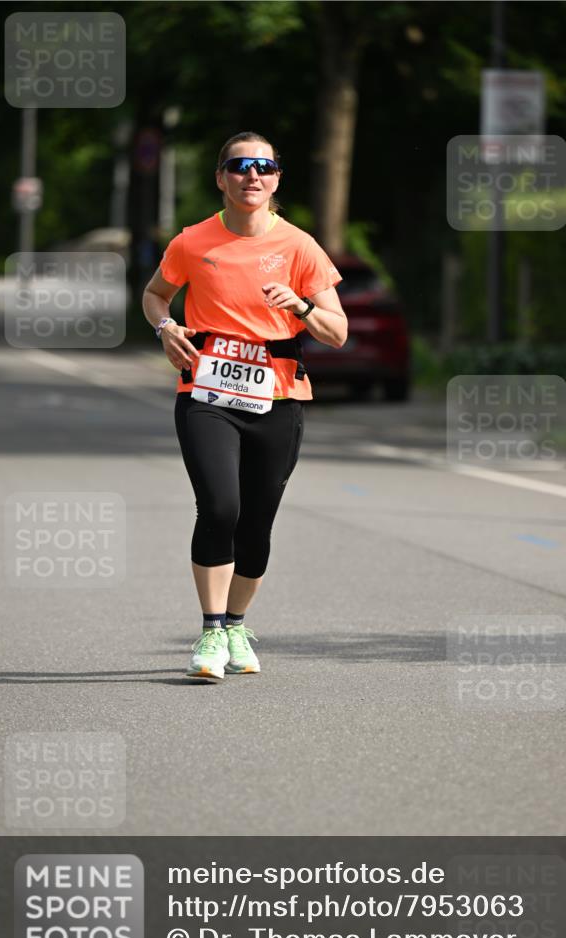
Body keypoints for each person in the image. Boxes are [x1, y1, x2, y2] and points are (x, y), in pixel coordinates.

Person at [142, 131, 347, 683]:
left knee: (257, 523)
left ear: (277, 178)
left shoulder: (300, 247)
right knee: (219, 506)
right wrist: (165, 328)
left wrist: (300, 304)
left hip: (277, 398)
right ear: (221, 178)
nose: (251, 175)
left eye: (264, 166)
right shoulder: (192, 241)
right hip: (206, 395)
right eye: (239, 167)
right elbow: (155, 293)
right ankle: (210, 632)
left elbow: (337, 333)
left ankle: (236, 623)